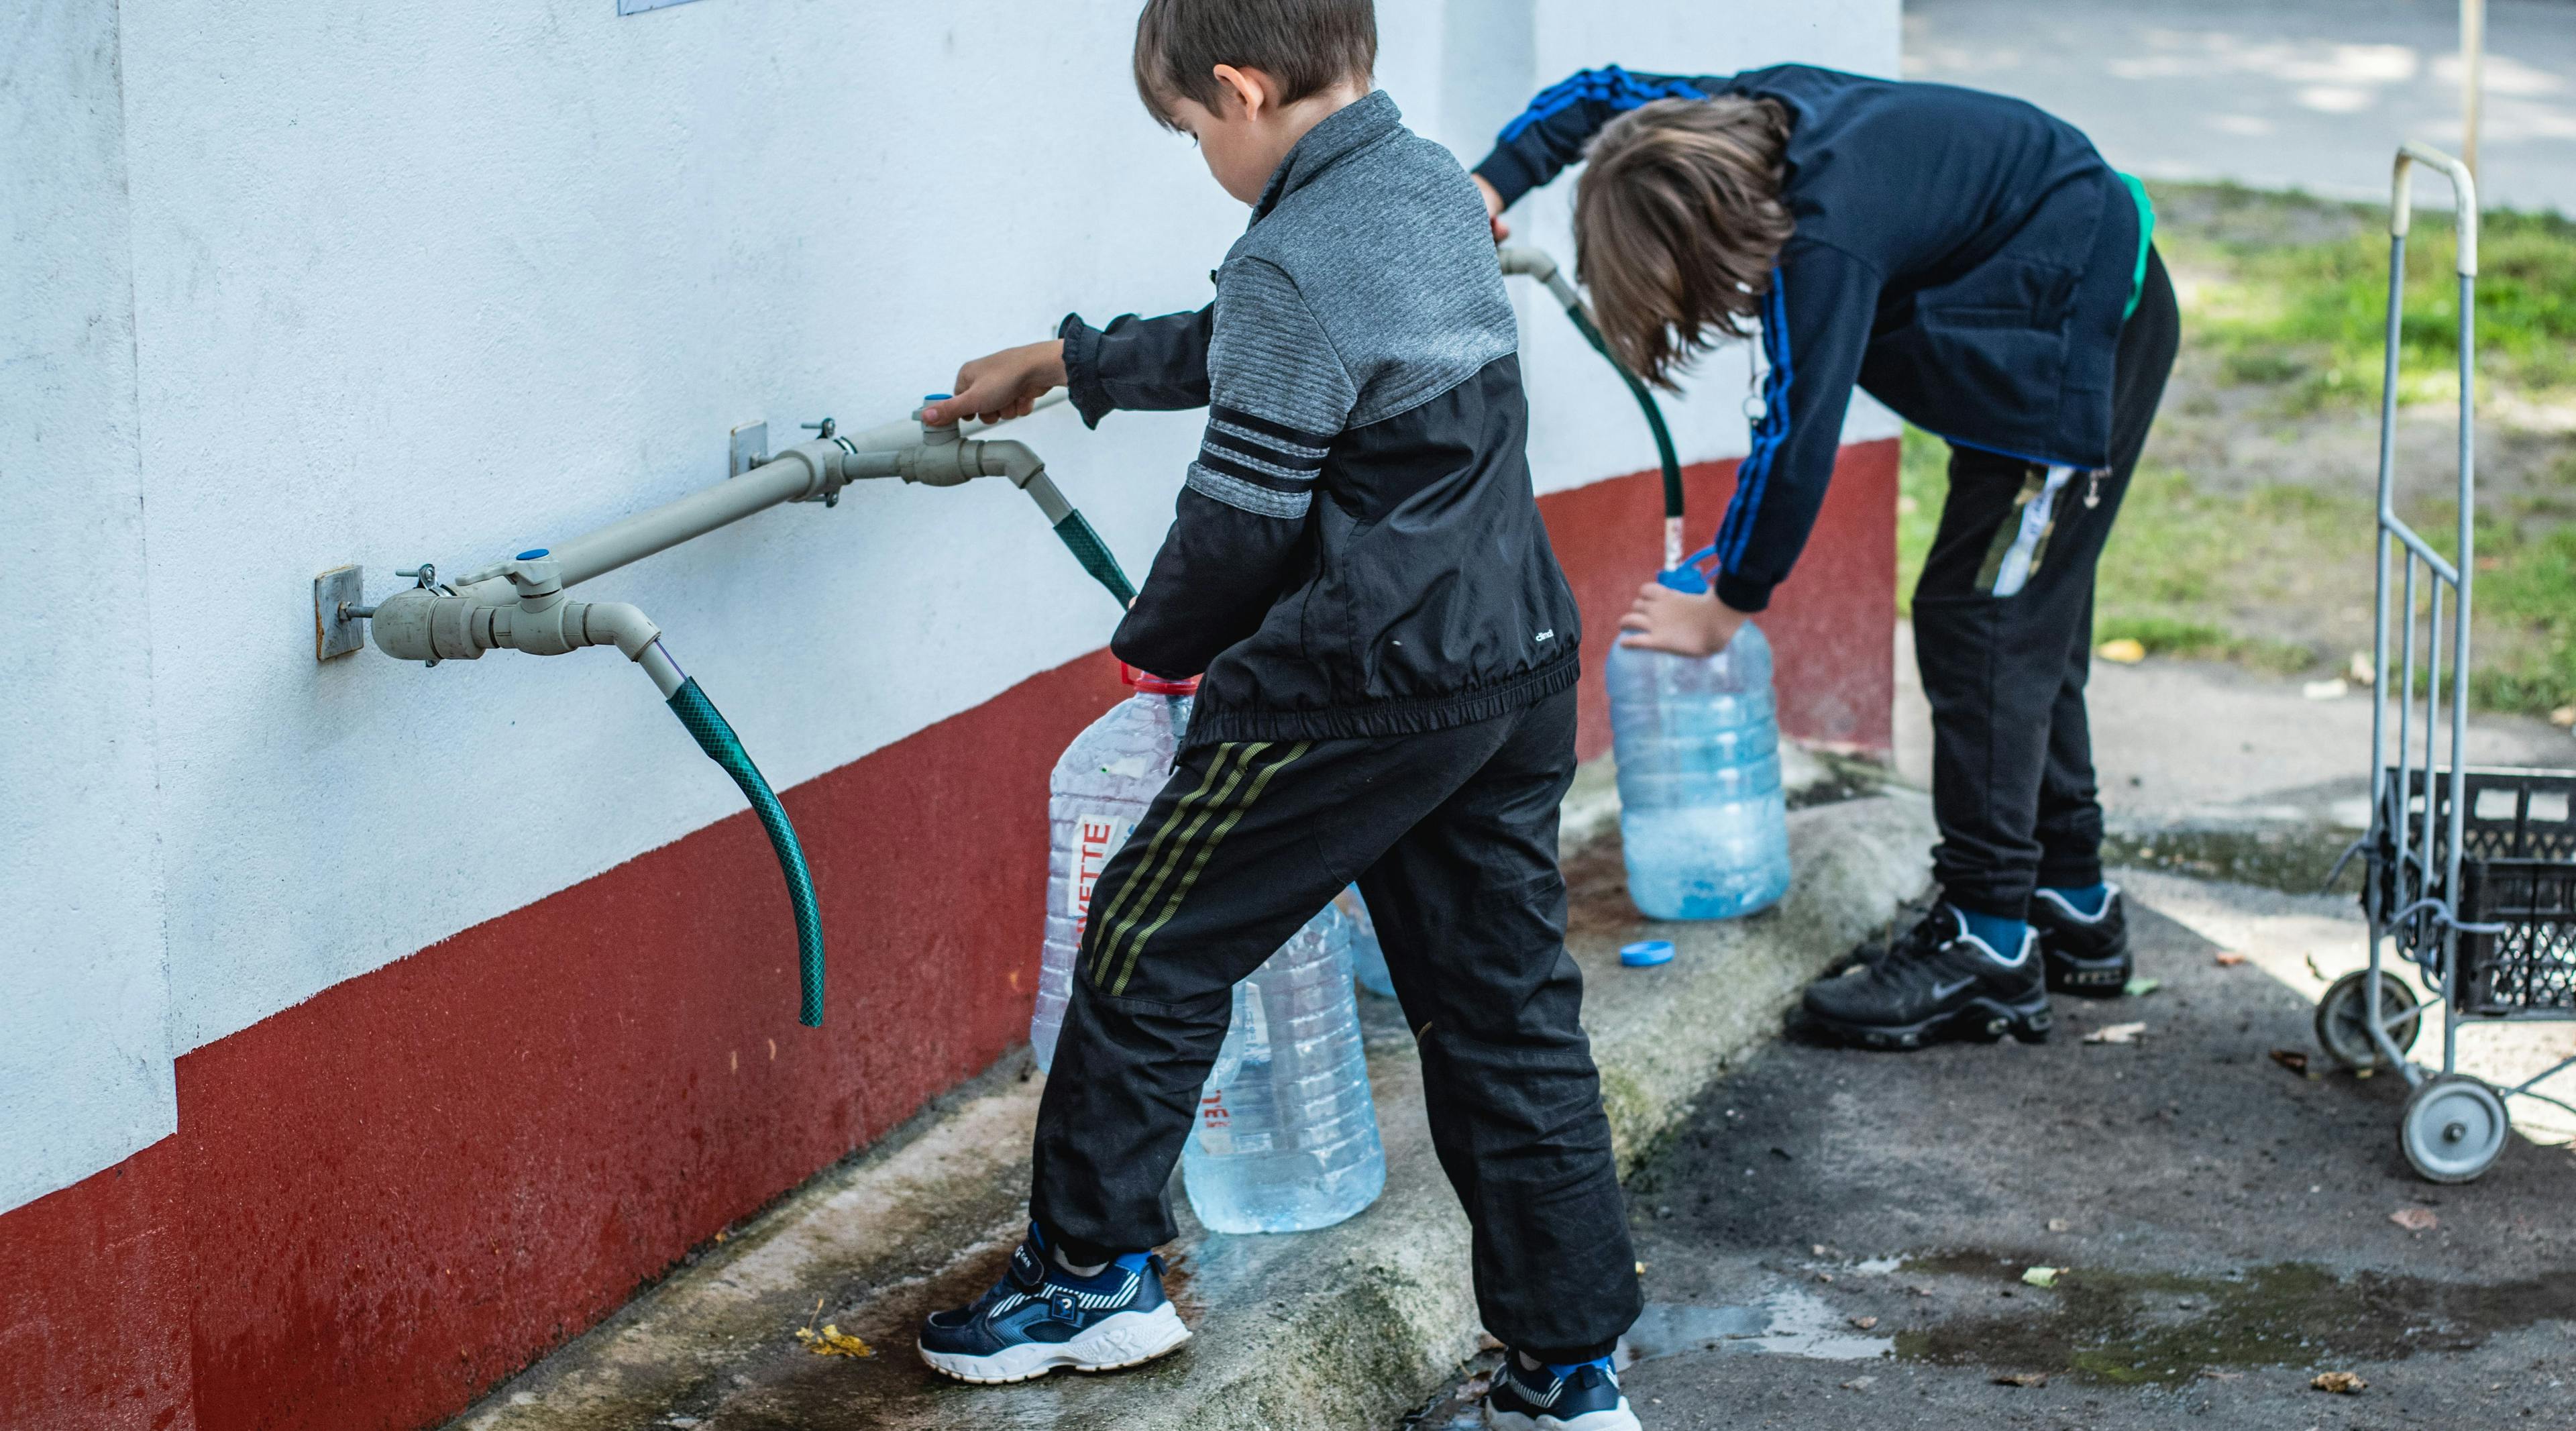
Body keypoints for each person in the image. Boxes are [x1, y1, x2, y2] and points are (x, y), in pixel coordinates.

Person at [912, 5, 1644, 1426]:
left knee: (1146, 935)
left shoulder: (1294, 260)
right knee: (1503, 1012)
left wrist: (1157, 655)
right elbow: (1255, 346)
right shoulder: (1424, 182)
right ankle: (1569, 1374)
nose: (1200, 155)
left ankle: (1087, 1271)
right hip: (1511, 654)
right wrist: (1070, 362)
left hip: (1360, 683)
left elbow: (1238, 525)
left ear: (1241, 90)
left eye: (1192, 132)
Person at [1472, 66, 2178, 1049]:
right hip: (2038, 288)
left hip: (2085, 324)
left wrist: (1728, 601)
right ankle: (2068, 896)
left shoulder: (1821, 238)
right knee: (2019, 624)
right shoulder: (1733, 122)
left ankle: (1990, 943)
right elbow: (1596, 97)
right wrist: (1493, 183)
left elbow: (1794, 441)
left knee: (1984, 627)